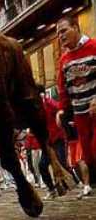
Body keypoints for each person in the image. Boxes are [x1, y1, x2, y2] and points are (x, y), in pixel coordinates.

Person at [56, 16, 95, 198]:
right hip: (79, 113)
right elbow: (63, 88)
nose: (60, 36)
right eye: (58, 34)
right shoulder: (64, 60)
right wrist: (62, 109)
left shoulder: (93, 47)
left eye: (63, 31)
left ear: (76, 27)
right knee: (87, 155)